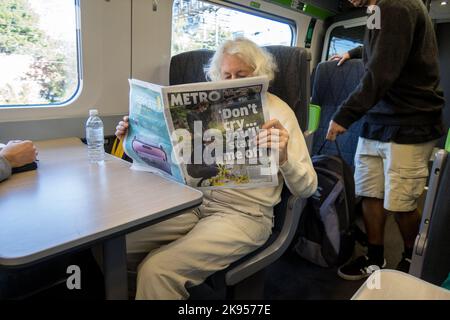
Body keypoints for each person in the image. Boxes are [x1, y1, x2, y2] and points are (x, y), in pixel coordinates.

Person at [115, 37, 318, 299]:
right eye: (227, 75)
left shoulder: (280, 112)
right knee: (115, 246)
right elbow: (171, 162)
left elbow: (308, 187)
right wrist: (134, 139)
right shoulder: (204, 110)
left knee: (157, 271)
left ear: (260, 75)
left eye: (241, 75)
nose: (233, 82)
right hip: (192, 203)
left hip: (244, 214)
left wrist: (283, 159)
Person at [327, 0, 445, 280]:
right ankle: (375, 257)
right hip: (376, 119)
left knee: (401, 203)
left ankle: (411, 259)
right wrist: (354, 52)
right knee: (370, 193)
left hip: (408, 121)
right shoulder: (376, 9)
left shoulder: (396, 5)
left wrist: (344, 115)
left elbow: (381, 71)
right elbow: (379, 48)